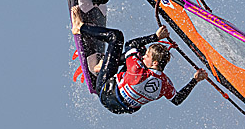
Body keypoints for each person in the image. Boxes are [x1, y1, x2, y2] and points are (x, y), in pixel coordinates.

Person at [71, 6, 208, 115]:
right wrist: (195, 80)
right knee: (139, 52)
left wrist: (155, 37)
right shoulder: (165, 83)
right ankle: (104, 63)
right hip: (120, 109)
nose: (144, 57)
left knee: (117, 37)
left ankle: (79, 27)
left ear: (155, 63)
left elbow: (130, 45)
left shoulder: (137, 71)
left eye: (148, 56)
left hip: (105, 90)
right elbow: (177, 100)